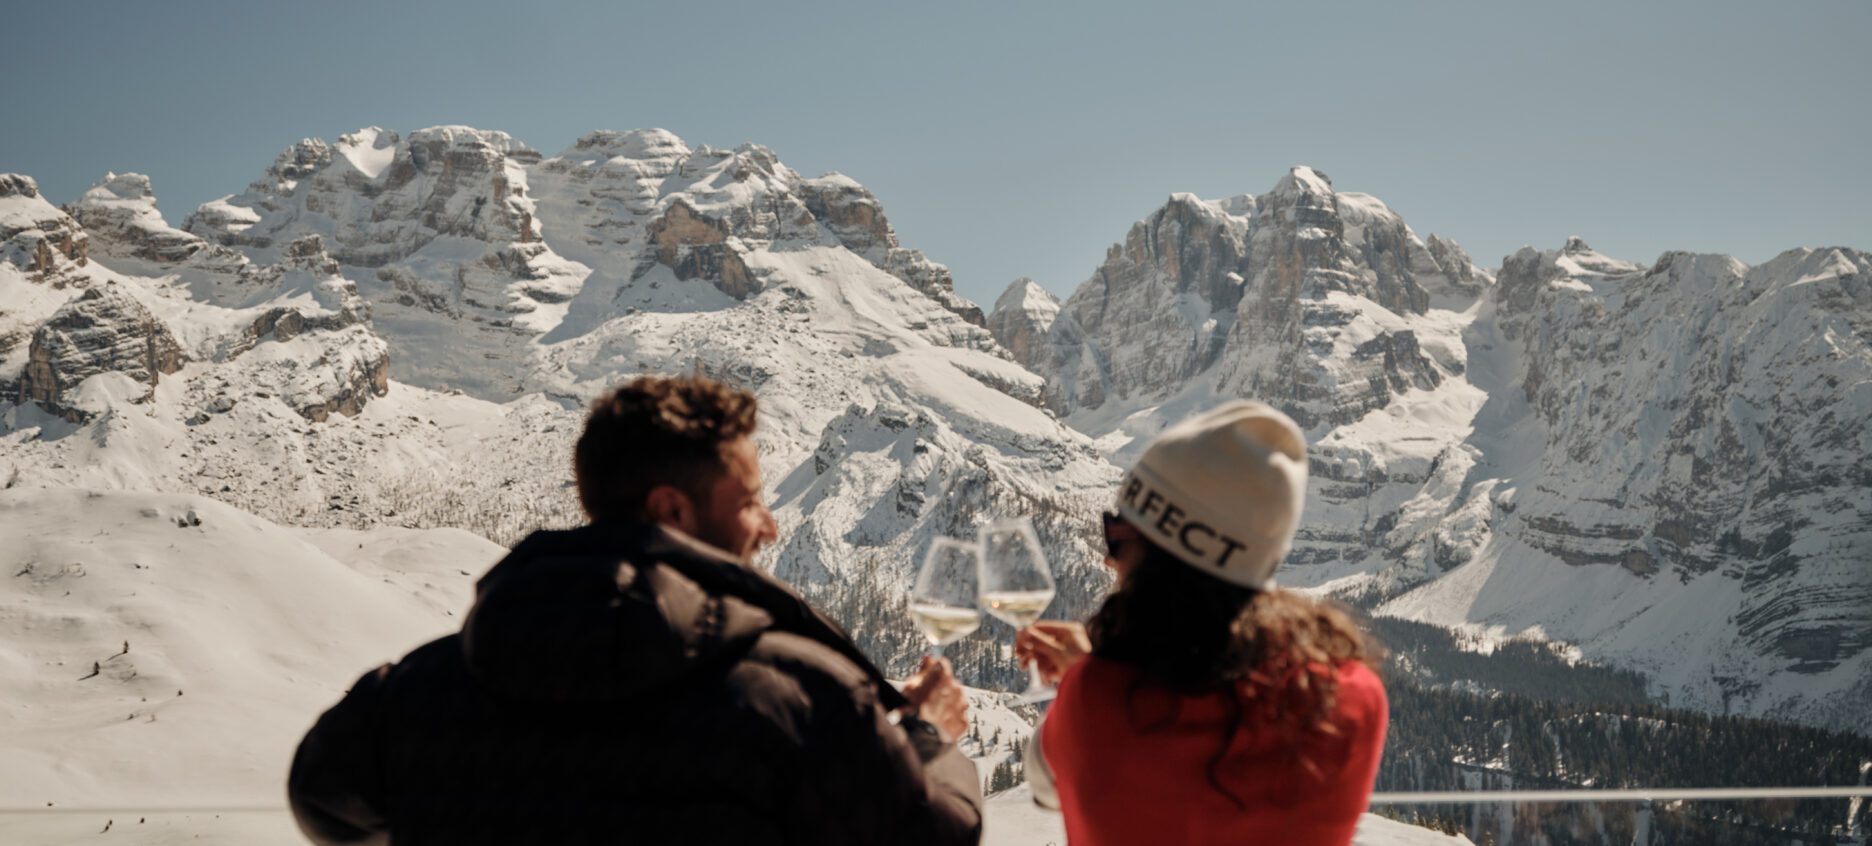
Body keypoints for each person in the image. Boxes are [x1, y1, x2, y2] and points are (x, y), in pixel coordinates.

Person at [289, 374, 981, 846]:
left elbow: (321, 795)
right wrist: (924, 736)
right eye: (749, 501)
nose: (769, 527)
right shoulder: (797, 698)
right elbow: (937, 834)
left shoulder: (424, 688)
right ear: (670, 511)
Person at [1015, 400, 1387, 846]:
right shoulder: (1349, 700)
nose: (1106, 558)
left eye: (1115, 535)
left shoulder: (1094, 695)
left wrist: (1088, 670)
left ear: (1153, 556)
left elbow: (1046, 783)